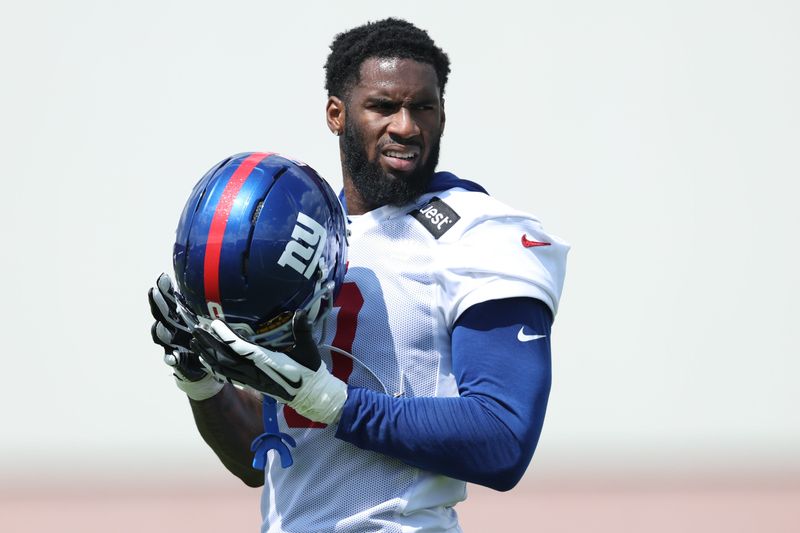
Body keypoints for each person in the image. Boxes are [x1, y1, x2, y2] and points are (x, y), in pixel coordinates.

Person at [150, 18, 569, 533]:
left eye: (423, 107)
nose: (406, 126)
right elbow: (258, 461)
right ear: (336, 113)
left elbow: (503, 437)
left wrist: (329, 400)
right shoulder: (305, 238)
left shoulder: (483, 234)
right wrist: (199, 379)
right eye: (384, 106)